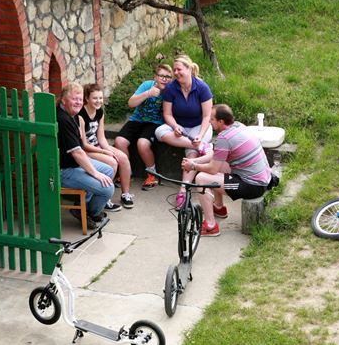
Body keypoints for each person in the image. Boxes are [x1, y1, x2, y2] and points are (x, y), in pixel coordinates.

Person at [181, 104, 276, 237]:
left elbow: (213, 169)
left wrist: (193, 167)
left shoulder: (224, 138)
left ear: (221, 121)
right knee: (217, 166)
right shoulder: (238, 126)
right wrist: (194, 161)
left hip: (252, 186)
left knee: (202, 178)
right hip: (262, 178)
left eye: (212, 119)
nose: (209, 122)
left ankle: (210, 226)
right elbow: (215, 156)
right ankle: (219, 208)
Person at [154, 55, 213, 208]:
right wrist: (175, 126)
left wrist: (200, 135)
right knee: (160, 131)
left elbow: (207, 116)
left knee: (191, 154)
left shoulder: (202, 87)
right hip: (179, 128)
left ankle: (183, 189)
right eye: (174, 70)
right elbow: (167, 114)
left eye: (179, 69)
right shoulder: (171, 88)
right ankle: (199, 146)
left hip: (199, 127)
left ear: (189, 69)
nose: (176, 72)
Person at [57, 82, 115, 229]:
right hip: (64, 170)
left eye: (80, 99)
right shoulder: (63, 119)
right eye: (74, 99)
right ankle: (90, 213)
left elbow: (80, 148)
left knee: (108, 170)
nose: (78, 102)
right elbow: (77, 152)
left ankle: (84, 209)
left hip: (75, 163)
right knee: (107, 188)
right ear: (63, 100)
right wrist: (95, 173)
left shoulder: (73, 115)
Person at [114, 64, 172, 191]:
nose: (164, 79)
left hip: (155, 123)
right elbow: (131, 103)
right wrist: (148, 94)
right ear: (155, 77)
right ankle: (126, 173)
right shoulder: (147, 85)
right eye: (162, 76)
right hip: (137, 119)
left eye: (168, 77)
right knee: (119, 141)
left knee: (142, 144)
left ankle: (152, 174)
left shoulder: (170, 91)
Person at [79, 83, 133, 209]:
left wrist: (108, 150)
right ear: (86, 98)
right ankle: (105, 199)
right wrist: (104, 153)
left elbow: (101, 137)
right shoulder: (81, 115)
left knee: (123, 158)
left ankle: (125, 194)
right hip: (86, 150)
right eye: (95, 98)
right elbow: (84, 144)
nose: (98, 101)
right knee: (112, 163)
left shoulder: (100, 112)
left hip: (97, 145)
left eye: (100, 98)